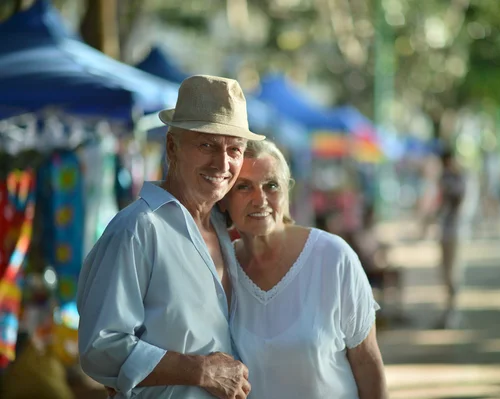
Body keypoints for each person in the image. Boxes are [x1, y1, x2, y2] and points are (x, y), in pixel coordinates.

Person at [76, 75, 265, 399]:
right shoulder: (138, 228)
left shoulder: (226, 230)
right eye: (207, 145)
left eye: (234, 149)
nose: (222, 163)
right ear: (172, 147)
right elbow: (101, 346)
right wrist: (200, 370)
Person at [220, 140, 388, 399]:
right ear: (224, 200)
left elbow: (367, 361)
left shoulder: (333, 257)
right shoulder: (221, 269)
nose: (260, 199)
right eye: (244, 187)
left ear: (286, 192)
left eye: (271, 185)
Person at [435, 147, 466, 329]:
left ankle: (453, 311)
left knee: (453, 272)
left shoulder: (459, 179)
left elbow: (457, 201)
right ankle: (449, 310)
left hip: (456, 231)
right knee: (446, 273)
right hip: (446, 231)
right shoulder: (446, 179)